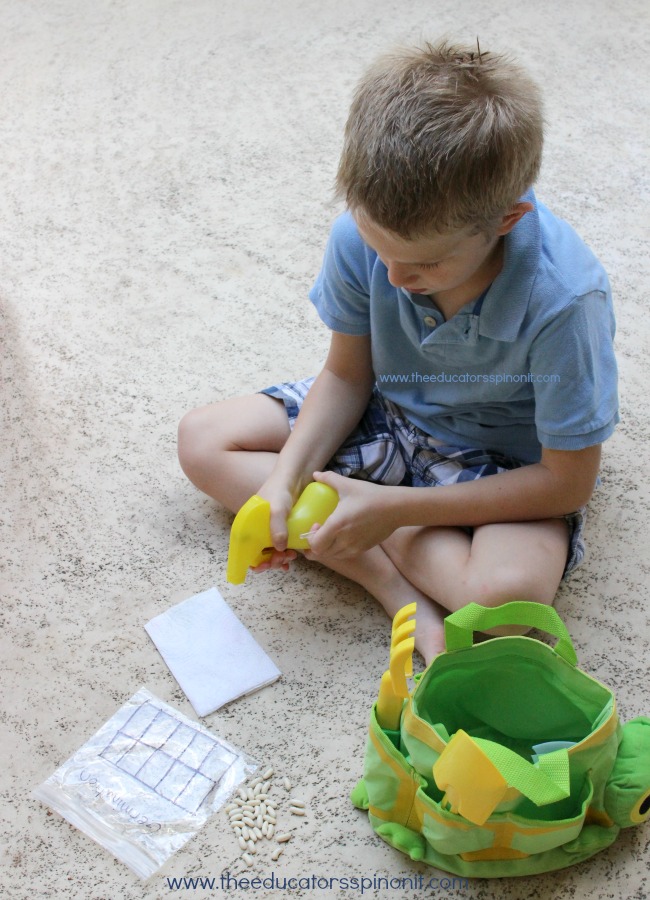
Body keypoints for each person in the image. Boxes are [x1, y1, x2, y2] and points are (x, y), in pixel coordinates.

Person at [177, 41, 618, 664]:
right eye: (376, 247)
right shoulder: (364, 236)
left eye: (425, 263)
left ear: (507, 220)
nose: (391, 277)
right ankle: (395, 588)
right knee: (202, 441)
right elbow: (347, 376)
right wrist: (285, 479)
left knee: (505, 605)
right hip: (385, 411)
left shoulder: (566, 302)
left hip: (496, 460)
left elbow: (567, 482)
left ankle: (354, 520)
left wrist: (394, 510)